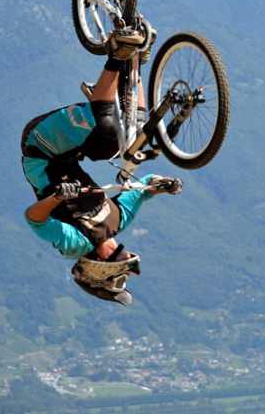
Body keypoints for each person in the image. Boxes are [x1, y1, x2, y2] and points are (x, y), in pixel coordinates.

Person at [20, 28, 181, 305]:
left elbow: (34, 219)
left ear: (100, 267)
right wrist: (162, 186)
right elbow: (142, 189)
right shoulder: (117, 220)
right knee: (137, 136)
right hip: (70, 152)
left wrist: (57, 197)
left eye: (119, 271)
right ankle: (136, 58)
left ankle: (118, 53)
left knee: (106, 133)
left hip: (41, 146)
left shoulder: (75, 243)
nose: (124, 260)